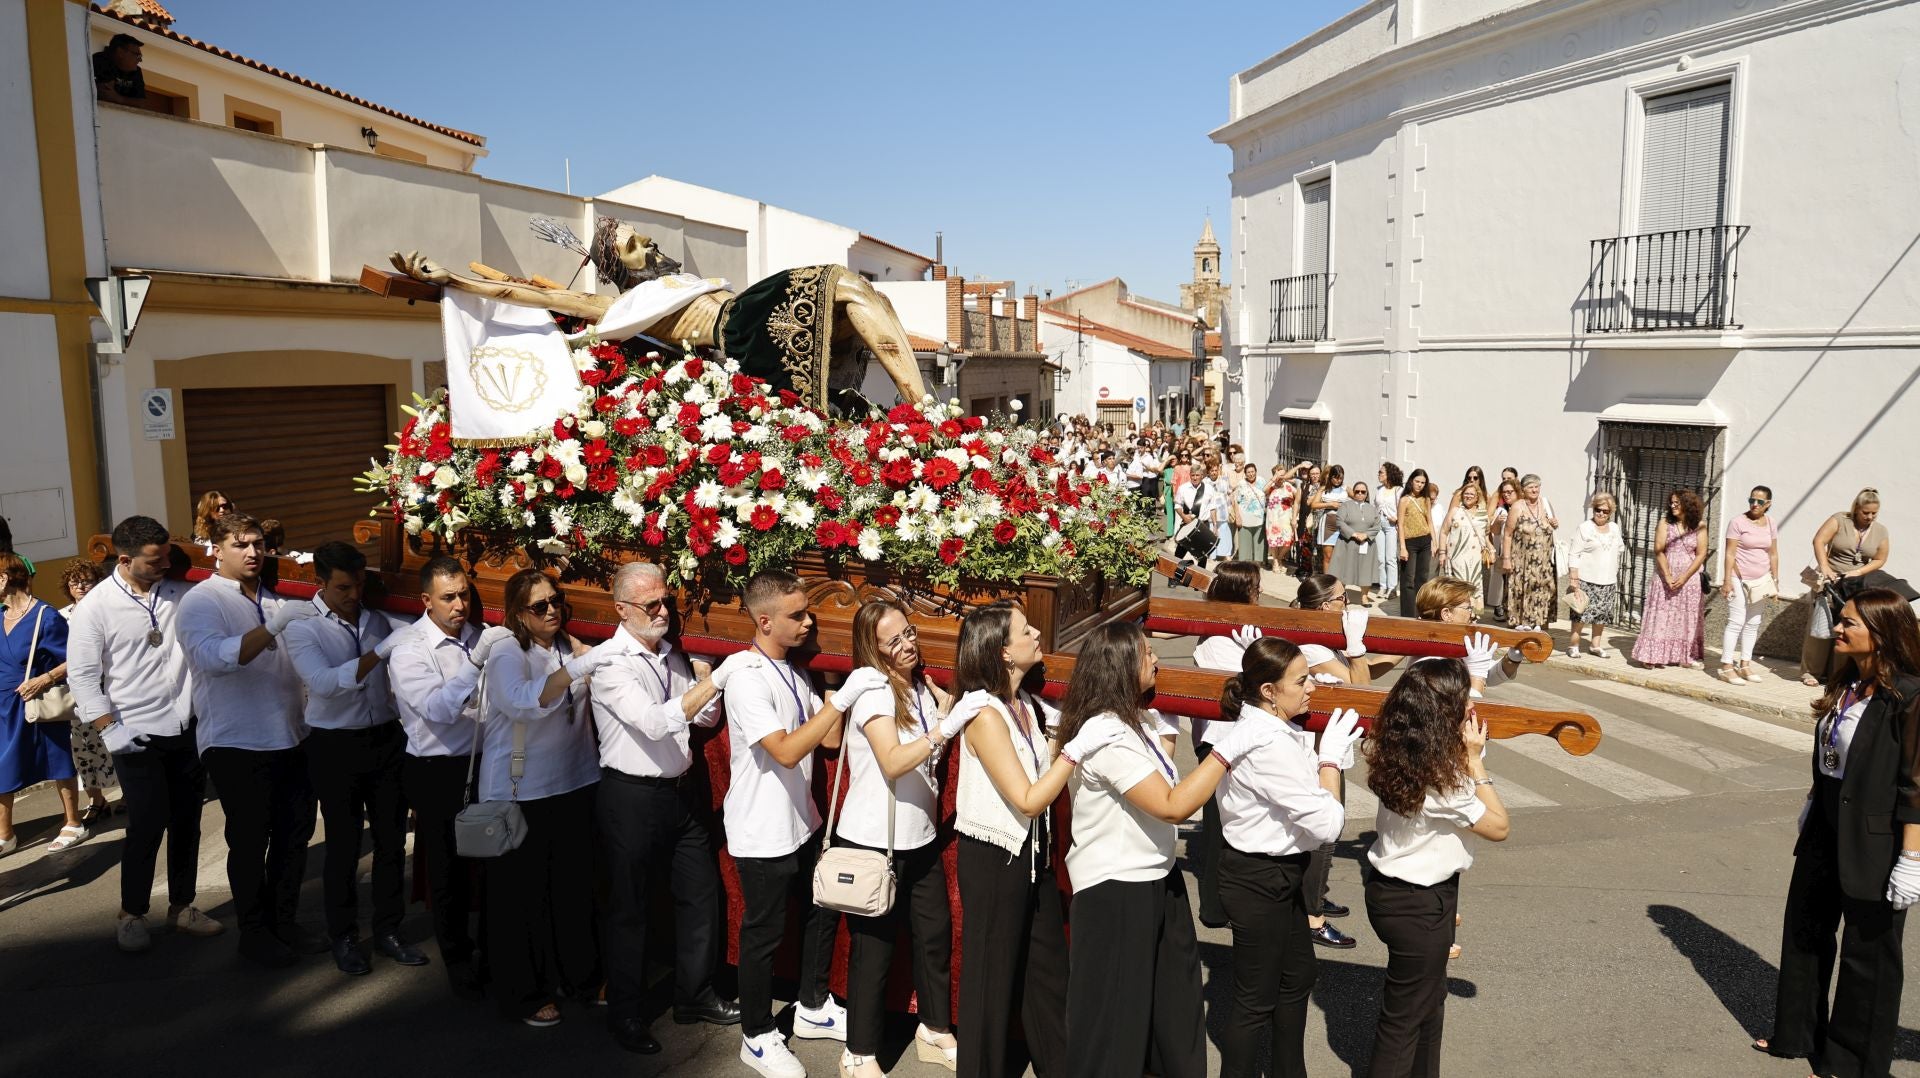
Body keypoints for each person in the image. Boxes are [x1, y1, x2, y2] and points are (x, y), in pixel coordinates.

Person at [1056, 622, 1269, 1078]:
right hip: (1116, 888)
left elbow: (1166, 774)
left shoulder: (1136, 720)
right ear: (1119, 668)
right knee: (1114, 1024)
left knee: (1174, 1009)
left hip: (1157, 877)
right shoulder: (1106, 734)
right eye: (1147, 653)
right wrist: (1229, 749)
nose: (1156, 660)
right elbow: (1172, 805)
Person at [1754, 589, 1920, 1078]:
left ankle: (1852, 1063)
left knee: (1868, 957)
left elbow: (1916, 784)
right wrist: (1812, 803)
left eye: (1849, 623)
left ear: (1882, 632)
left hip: (1878, 838)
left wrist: (1912, 858)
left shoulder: (1909, 696)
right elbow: (1831, 755)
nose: (1838, 629)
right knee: (1805, 930)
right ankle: (1798, 1034)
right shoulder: (1847, 679)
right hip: (1826, 822)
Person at [945, 601, 1115, 1078]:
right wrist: (1075, 750)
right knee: (990, 984)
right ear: (1002, 652)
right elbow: (1026, 798)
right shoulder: (985, 713)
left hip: (1032, 854)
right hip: (995, 857)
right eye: (1025, 630)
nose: (1038, 633)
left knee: (1047, 973)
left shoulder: (1025, 705)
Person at [589, 562, 751, 1054]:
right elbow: (655, 723)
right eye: (650, 605)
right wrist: (718, 676)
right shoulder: (609, 663)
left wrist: (702, 675)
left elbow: (704, 714)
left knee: (699, 895)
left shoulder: (671, 655)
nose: (663, 612)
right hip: (630, 797)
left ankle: (694, 994)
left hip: (680, 793)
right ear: (621, 609)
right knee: (629, 909)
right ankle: (627, 1013)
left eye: (666, 602)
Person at [728, 569, 876, 1078]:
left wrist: (849, 698)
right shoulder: (747, 677)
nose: (809, 622)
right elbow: (788, 751)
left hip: (802, 821)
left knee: (820, 915)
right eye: (797, 615)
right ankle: (756, 1035)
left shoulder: (793, 671)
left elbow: (829, 741)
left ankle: (812, 1008)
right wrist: (839, 699)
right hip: (761, 827)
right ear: (764, 621)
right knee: (763, 933)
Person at [66, 516, 221, 952]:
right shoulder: (95, 607)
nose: (165, 565)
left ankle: (183, 907)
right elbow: (82, 676)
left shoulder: (182, 589)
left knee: (188, 820)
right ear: (125, 559)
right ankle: (131, 912)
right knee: (148, 823)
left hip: (186, 727)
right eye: (154, 561)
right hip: (133, 733)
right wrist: (108, 728)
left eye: (168, 556)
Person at [176, 512, 321, 967]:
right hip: (236, 742)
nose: (254, 552)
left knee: (294, 836)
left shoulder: (275, 598)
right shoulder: (202, 602)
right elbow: (216, 658)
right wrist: (274, 629)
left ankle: (283, 921)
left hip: (290, 736)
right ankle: (253, 931)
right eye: (241, 545)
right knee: (249, 839)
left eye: (259, 544)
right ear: (216, 550)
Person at [1214, 637, 1358, 1078]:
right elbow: (1329, 824)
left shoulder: (1275, 729)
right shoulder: (1266, 742)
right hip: (1258, 876)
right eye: (1301, 680)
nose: (1312, 685)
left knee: (1297, 975)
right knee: (1254, 999)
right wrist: (1329, 762)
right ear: (1269, 691)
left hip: (1279, 873)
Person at [1362, 659, 1511, 1078]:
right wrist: (1477, 761)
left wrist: (1475, 683)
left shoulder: (1396, 744)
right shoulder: (1444, 777)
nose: (1469, 707)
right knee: (1404, 1023)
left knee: (1429, 1007)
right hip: (1417, 903)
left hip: (1407, 893)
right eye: (1462, 700)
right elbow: (1498, 827)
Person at [281, 541, 421, 976]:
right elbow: (322, 684)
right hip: (334, 744)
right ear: (319, 583)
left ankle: (388, 930)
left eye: (359, 584)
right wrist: (377, 653)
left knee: (391, 841)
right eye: (343, 587)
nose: (354, 595)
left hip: (384, 739)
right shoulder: (303, 627)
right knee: (343, 846)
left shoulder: (376, 618)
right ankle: (343, 936)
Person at [478, 568, 610, 1027]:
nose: (552, 610)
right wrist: (575, 669)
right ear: (518, 613)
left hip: (573, 781)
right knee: (519, 899)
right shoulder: (507, 652)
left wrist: (578, 662)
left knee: (574, 890)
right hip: (518, 790)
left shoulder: (566, 646)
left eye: (556, 601)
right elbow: (520, 701)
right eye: (540, 606)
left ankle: (581, 978)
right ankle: (525, 993)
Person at [835, 601, 958, 1077]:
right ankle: (859, 1053)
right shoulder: (872, 691)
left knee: (934, 934)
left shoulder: (918, 687)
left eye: (909, 633)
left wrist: (939, 716)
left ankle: (934, 1029)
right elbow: (891, 760)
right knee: (873, 949)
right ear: (873, 648)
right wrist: (944, 728)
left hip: (919, 834)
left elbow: (922, 757)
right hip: (872, 838)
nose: (909, 645)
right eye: (894, 641)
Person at [386, 556, 487, 997]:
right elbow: (439, 711)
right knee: (447, 869)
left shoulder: (478, 637)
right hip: (437, 770)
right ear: (426, 600)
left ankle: (487, 948)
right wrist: (475, 666)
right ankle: (457, 958)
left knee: (485, 864)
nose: (460, 604)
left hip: (482, 763)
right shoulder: (409, 648)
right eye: (449, 597)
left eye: (464, 594)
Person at [1190, 561, 1266, 930]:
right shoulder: (1218, 639)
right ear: (1239, 592)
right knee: (1220, 828)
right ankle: (1214, 908)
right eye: (1255, 587)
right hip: (1221, 742)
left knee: (1237, 824)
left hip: (1238, 741)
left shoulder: (1235, 629)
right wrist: (1255, 655)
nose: (1261, 592)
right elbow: (1239, 694)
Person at [1, 553, 88, 855]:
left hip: (37, 701)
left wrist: (44, 679)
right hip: (3, 705)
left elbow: (73, 658)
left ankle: (73, 822)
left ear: (3, 579)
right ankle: (5, 834)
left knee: (56, 758)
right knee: (2, 765)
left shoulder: (45, 616)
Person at [1802, 488, 1891, 686]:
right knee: (1821, 622)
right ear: (1857, 508)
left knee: (1848, 627)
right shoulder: (1840, 519)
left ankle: (1839, 673)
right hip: (1829, 580)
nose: (1869, 517)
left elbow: (1880, 558)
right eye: (1865, 512)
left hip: (1855, 584)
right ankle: (1811, 671)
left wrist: (1859, 572)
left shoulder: (1880, 530)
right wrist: (1825, 567)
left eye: (1873, 513)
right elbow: (1819, 540)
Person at [58, 560, 115, 824]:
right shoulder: (61, 616)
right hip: (76, 689)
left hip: (108, 684)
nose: (80, 586)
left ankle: (127, 795)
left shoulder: (108, 608)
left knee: (112, 742)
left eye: (86, 580)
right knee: (82, 745)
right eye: (74, 582)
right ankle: (96, 799)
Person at [1631, 489, 1709, 669]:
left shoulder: (1699, 526)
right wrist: (1667, 575)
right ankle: (1651, 655)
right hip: (1665, 578)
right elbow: (1659, 549)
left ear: (1687, 505)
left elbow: (1701, 554)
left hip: (1689, 580)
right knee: (1660, 616)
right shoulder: (1665, 523)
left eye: (1677, 503)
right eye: (1671, 503)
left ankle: (1684, 656)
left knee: (1685, 618)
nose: (1672, 506)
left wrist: (1685, 576)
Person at [1720, 486, 1782, 685]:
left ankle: (1745, 664)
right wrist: (1727, 581)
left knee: (1753, 623)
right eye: (1752, 500)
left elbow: (1773, 552)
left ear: (1768, 504)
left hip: (1761, 580)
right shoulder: (1737, 522)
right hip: (1739, 578)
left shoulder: (1771, 522)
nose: (1755, 504)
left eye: (1760, 502)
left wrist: (1775, 579)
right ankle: (1727, 666)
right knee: (1737, 620)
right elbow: (1730, 553)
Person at [1566, 493, 1626, 659]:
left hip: (1608, 581)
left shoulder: (1614, 528)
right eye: (1598, 510)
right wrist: (1574, 579)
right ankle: (1574, 645)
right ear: (1593, 509)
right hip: (1586, 579)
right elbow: (1574, 554)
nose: (1601, 514)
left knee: (1601, 615)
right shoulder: (1585, 528)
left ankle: (1595, 645)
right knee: (1581, 614)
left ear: (1610, 512)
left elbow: (1620, 548)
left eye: (1605, 511)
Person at [1499, 474, 1557, 631]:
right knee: (1521, 590)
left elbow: (1552, 525)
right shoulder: (1518, 506)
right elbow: (1508, 534)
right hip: (1521, 560)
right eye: (1531, 487)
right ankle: (1520, 622)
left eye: (1537, 486)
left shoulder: (1545, 504)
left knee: (1542, 590)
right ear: (1523, 490)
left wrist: (1554, 523)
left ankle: (1538, 622)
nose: (1534, 489)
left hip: (1543, 561)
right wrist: (1506, 558)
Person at [1436, 480, 1489, 613]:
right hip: (1456, 558)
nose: (1468, 496)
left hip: (1474, 560)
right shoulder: (1455, 511)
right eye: (1466, 493)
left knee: (1474, 585)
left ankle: (1473, 616)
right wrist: (1442, 553)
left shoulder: (1483, 515)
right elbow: (1443, 532)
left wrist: (1491, 550)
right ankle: (1456, 614)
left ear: (1477, 497)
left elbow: (1486, 536)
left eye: (1472, 494)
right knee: (1457, 586)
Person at [1332, 479, 1384, 603]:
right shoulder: (1345, 506)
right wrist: (1353, 534)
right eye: (1357, 491)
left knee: (1365, 570)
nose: (1360, 494)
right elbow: (1339, 521)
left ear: (1367, 494)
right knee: (1344, 569)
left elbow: (1377, 525)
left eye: (1363, 492)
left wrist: (1366, 535)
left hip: (1366, 543)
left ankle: (1364, 597)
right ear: (1353, 493)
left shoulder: (1372, 509)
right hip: (1347, 542)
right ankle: (1343, 595)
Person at [1396, 469, 1438, 619]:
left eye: (1423, 482)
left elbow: (1430, 521)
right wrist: (1402, 547)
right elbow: (1400, 524)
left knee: (1422, 577)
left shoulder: (1426, 499)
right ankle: (1408, 615)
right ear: (1411, 481)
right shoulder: (1404, 500)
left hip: (1425, 540)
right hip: (1409, 542)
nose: (1419, 485)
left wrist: (1434, 542)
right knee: (1408, 579)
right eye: (1417, 481)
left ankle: (1420, 611)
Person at [93, 33, 157, 109]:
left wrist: (120, 99)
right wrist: (129, 101)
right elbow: (105, 95)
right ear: (120, 52)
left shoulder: (136, 71)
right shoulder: (101, 60)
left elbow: (142, 103)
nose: (140, 60)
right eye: (137, 55)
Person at [1485, 479, 1519, 622]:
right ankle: (1506, 611)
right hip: (1506, 554)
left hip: (1521, 555)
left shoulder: (1523, 507)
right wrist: (1498, 521)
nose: (1506, 495)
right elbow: (1494, 531)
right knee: (1505, 584)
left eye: (1509, 492)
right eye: (1504, 492)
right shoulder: (1502, 509)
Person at [1375, 464, 1404, 601]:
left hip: (1391, 525)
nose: (1379, 474)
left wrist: (1397, 518)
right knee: (1381, 558)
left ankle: (1392, 587)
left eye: (1381, 472)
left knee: (1390, 558)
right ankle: (1383, 585)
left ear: (1389, 474)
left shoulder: (1398, 490)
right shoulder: (1379, 489)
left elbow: (1403, 509)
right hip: (1379, 523)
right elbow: (1376, 506)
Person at [1313, 465, 1348, 573]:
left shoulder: (1345, 488)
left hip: (1342, 523)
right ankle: (1327, 584)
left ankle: (1340, 582)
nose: (1338, 480)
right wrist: (1330, 504)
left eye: (1340, 478)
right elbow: (1314, 504)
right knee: (1328, 556)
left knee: (1341, 556)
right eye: (1335, 477)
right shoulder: (1323, 489)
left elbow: (1359, 497)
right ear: (1330, 477)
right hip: (1328, 523)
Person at [1266, 463, 1299, 571]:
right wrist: (1273, 479)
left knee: (1288, 540)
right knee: (1274, 540)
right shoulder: (1271, 487)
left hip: (1287, 518)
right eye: (1279, 475)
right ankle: (1275, 561)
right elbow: (1263, 491)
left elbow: (1299, 495)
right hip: (1273, 518)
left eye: (1283, 475)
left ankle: (1279, 558)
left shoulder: (1288, 486)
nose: (1281, 478)